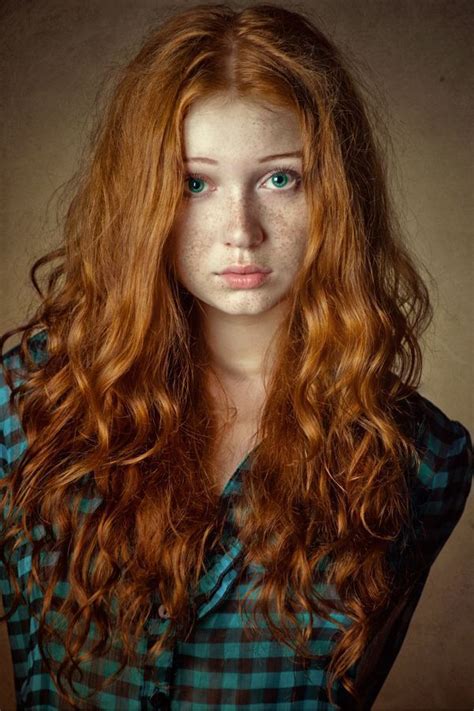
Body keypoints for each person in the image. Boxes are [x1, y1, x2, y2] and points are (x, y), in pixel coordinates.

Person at [0, 3, 471, 709]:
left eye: (280, 178)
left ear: (335, 195)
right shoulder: (29, 401)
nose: (240, 233)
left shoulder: (420, 459)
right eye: (196, 182)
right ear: (145, 196)